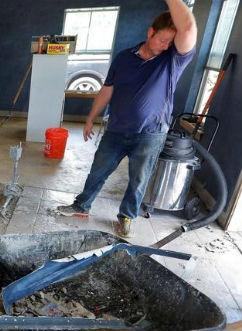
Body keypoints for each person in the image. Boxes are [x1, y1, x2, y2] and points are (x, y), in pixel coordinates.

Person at [57, 0, 197, 237]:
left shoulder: (172, 60)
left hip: (150, 134)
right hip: (116, 129)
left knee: (139, 180)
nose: (165, 46)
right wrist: (91, 117)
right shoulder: (123, 58)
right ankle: (82, 205)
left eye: (170, 43)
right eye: (162, 40)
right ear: (150, 32)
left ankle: (126, 217)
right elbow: (107, 90)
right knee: (98, 171)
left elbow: (189, 29)